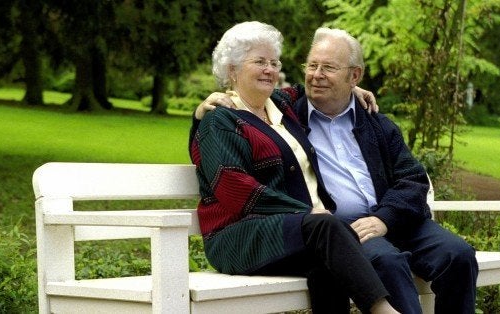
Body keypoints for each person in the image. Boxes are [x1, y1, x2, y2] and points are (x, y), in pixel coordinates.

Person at [197, 26, 479, 314]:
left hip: (390, 219)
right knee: (386, 261)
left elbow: (414, 179)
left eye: (329, 68)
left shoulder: (373, 122)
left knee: (458, 255)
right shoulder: (292, 112)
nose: (316, 75)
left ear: (353, 76)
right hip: (340, 230)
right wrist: (201, 111)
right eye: (312, 66)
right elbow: (230, 131)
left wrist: (385, 219)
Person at [188, 21, 398, 314]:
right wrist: (304, 212)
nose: (270, 70)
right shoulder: (220, 120)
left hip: (292, 232)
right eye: (260, 62)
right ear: (232, 70)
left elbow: (312, 85)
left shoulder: (279, 105)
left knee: (328, 262)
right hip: (236, 238)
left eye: (274, 63)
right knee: (327, 226)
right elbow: (234, 188)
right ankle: (384, 311)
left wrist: (351, 85)